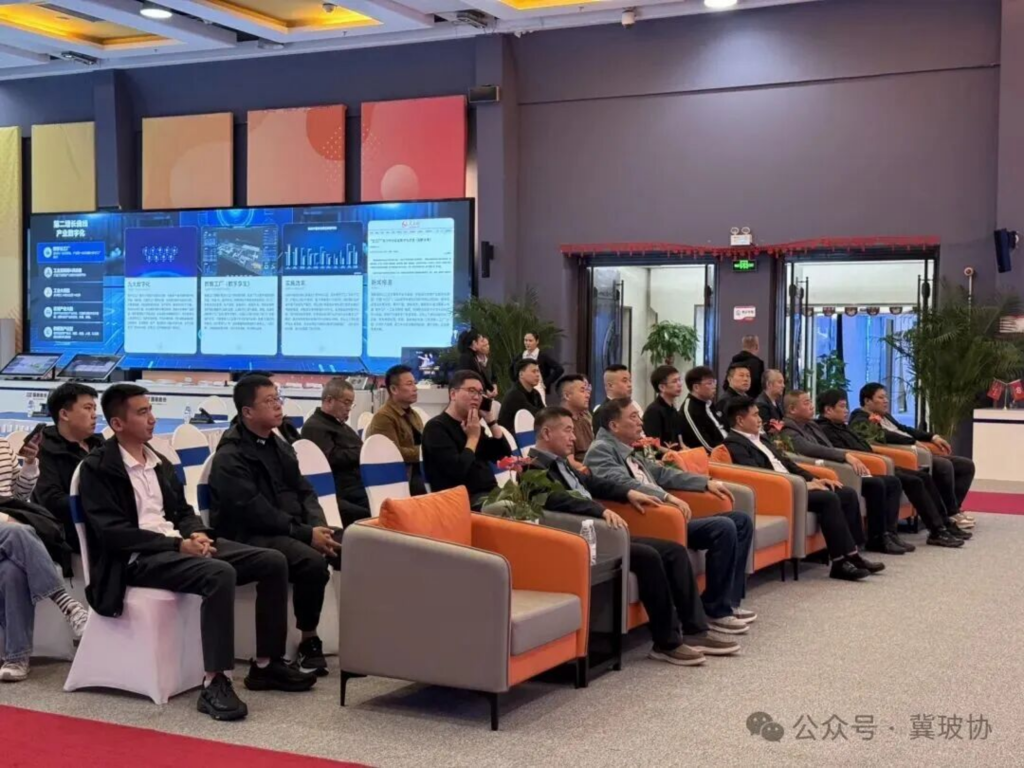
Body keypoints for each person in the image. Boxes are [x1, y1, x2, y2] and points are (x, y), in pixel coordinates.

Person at [78, 384, 315, 717]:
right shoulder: (99, 468)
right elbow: (113, 534)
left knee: (273, 561)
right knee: (219, 573)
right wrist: (177, 544)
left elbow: (182, 511)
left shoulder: (157, 461)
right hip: (135, 560)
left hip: (175, 546)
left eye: (150, 410)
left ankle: (267, 664)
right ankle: (215, 681)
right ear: (117, 423)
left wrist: (197, 533)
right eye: (142, 412)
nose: (152, 418)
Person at [528, 407, 739, 664]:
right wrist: (599, 510)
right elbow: (557, 500)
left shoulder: (562, 463)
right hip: (583, 537)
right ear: (547, 433)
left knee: (673, 550)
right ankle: (666, 643)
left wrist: (627, 493)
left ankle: (695, 630)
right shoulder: (532, 468)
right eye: (568, 431)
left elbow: (593, 484)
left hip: (604, 531)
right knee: (649, 557)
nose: (574, 438)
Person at [584, 399, 756, 633]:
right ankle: (716, 610)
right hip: (650, 520)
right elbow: (620, 483)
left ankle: (726, 602)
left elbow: (662, 473)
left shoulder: (626, 448)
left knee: (741, 521)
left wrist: (705, 482)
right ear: (614, 425)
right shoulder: (601, 450)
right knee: (723, 527)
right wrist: (666, 498)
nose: (640, 422)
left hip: (667, 515)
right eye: (633, 417)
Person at [209, 375, 340, 678]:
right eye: (269, 401)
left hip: (289, 527)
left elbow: (305, 490)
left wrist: (318, 527)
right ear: (247, 412)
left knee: (356, 543)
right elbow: (256, 512)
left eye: (277, 398)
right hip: (249, 535)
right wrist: (306, 534)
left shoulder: (278, 445)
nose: (278, 406)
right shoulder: (231, 455)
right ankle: (308, 639)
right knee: (311, 561)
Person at [721, 396, 884, 582]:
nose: (760, 419)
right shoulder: (734, 444)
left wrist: (814, 479)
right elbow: (758, 474)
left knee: (846, 493)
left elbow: (789, 464)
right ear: (740, 420)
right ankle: (839, 563)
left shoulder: (762, 438)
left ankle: (854, 555)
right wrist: (803, 484)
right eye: (755, 415)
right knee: (828, 499)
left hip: (793, 483)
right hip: (780, 492)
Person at [816, 390, 966, 548]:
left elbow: (888, 435)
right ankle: (933, 530)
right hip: (863, 467)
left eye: (846, 406)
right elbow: (843, 451)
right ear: (828, 410)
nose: (846, 410)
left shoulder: (842, 426)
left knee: (924, 477)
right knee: (910, 481)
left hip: (875, 461)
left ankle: (943, 524)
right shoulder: (830, 428)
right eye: (842, 406)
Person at [0, 433, 88, 682]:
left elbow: (19, 496)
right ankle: (67, 605)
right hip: (8, 529)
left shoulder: (3, 446)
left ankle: (16, 657)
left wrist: (29, 464)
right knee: (18, 532)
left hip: (5, 536)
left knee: (12, 571)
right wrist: (5, 519)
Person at [779, 390, 910, 555]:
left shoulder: (811, 425)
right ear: (792, 409)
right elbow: (810, 449)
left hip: (835, 468)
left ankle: (888, 533)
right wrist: (845, 456)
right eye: (806, 403)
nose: (811, 406)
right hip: (827, 470)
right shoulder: (787, 429)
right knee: (875, 484)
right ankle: (872, 540)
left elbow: (828, 447)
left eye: (811, 402)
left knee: (892, 481)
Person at [851, 383, 976, 530]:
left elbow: (904, 429)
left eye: (886, 397)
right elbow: (885, 435)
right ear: (867, 401)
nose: (886, 401)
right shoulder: (860, 420)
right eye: (881, 397)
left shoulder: (885, 416)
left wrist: (932, 437)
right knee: (944, 466)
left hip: (917, 451)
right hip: (904, 454)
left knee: (966, 465)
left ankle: (953, 509)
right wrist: (912, 441)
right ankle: (950, 513)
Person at [422, 370, 512, 509]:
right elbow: (457, 471)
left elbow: (503, 455)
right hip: (461, 500)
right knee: (511, 509)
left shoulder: (471, 424)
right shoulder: (436, 428)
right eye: (471, 391)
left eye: (480, 393)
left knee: (530, 501)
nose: (476, 397)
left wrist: (491, 421)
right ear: (453, 394)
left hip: (490, 494)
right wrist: (473, 438)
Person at [34, 382, 105, 553]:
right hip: (71, 532)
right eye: (87, 408)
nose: (94, 415)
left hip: (110, 522)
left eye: (94, 408)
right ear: (64, 414)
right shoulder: (44, 449)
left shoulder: (101, 445)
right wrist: (102, 503)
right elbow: (52, 501)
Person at [300, 377, 371, 527]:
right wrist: (362, 452)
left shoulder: (341, 425)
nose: (349, 408)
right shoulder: (315, 427)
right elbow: (330, 458)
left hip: (359, 484)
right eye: (346, 402)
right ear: (329, 400)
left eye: (351, 404)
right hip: (342, 489)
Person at [365, 364, 427, 495]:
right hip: (402, 477)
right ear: (394, 389)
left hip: (419, 470)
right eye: (409, 384)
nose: (415, 388)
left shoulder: (414, 414)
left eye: (414, 383)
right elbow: (393, 453)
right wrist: (424, 452)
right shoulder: (384, 417)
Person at [679, 366, 728, 452]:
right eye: (709, 383)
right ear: (696, 387)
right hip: (715, 455)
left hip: (728, 447)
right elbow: (706, 446)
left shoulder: (708, 403)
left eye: (714, 382)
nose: (714, 386)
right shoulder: (690, 409)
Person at [456, 330, 499, 419]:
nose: (484, 345)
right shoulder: (466, 358)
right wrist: (486, 390)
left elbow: (481, 375)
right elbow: (474, 378)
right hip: (471, 399)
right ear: (474, 343)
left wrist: (491, 388)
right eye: (481, 341)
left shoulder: (472, 357)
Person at [497, 359, 545, 436]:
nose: (537, 375)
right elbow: (536, 415)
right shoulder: (514, 395)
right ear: (521, 374)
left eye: (538, 371)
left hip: (527, 432)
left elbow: (544, 412)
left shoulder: (535, 393)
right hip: (511, 437)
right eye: (533, 371)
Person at [555, 374, 594, 466]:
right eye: (582, 391)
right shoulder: (559, 424)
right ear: (567, 395)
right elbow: (570, 463)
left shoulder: (584, 421)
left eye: (587, 390)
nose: (587, 395)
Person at [642, 365, 685, 447]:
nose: (679, 384)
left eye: (679, 380)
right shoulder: (653, 411)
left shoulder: (673, 410)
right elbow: (654, 445)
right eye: (674, 381)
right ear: (662, 387)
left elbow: (680, 442)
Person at [518, 331, 564, 401]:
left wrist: (546, 383)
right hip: (523, 388)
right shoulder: (521, 356)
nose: (527, 343)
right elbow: (512, 369)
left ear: (537, 341)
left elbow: (559, 369)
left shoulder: (543, 356)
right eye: (525, 340)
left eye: (530, 341)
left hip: (538, 388)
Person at [730, 335, 765, 399]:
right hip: (751, 400)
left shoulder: (734, 361)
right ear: (756, 347)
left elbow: (726, 385)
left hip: (733, 399)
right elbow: (759, 387)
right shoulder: (757, 364)